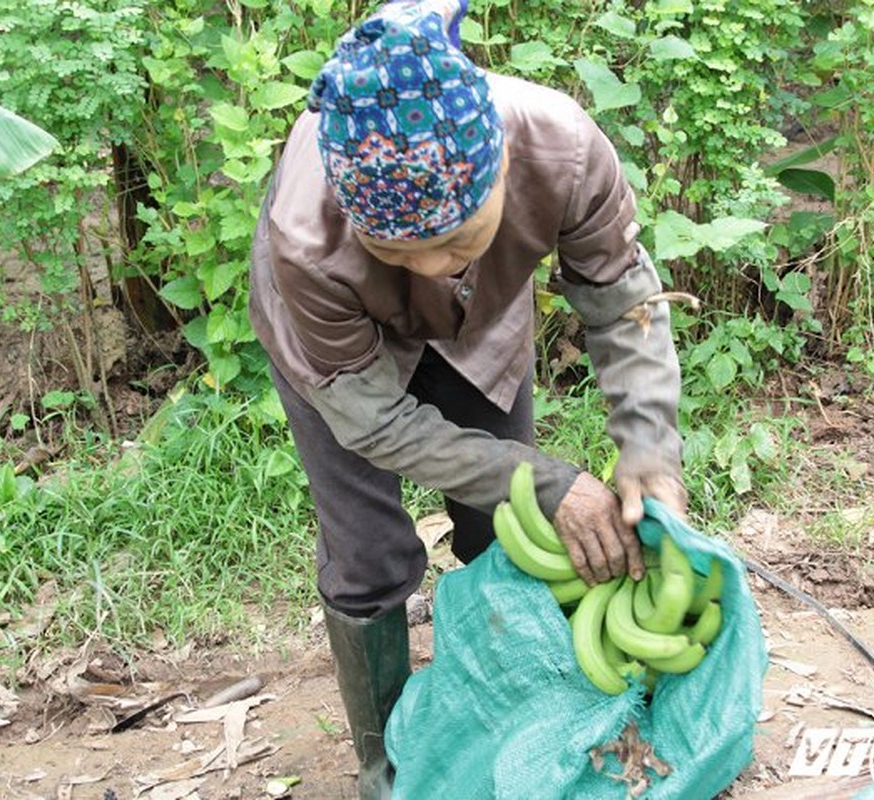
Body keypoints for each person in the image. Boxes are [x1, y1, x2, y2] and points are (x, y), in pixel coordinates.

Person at [247, 1, 687, 796]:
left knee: (506, 529)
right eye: (395, 248)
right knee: (368, 554)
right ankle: (386, 767)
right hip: (338, 359)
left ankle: (515, 716)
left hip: (480, 326)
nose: (426, 266)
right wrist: (552, 479)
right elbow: (372, 418)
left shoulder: (561, 147)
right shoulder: (305, 237)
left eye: (455, 238)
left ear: (501, 170)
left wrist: (648, 446)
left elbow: (623, 304)